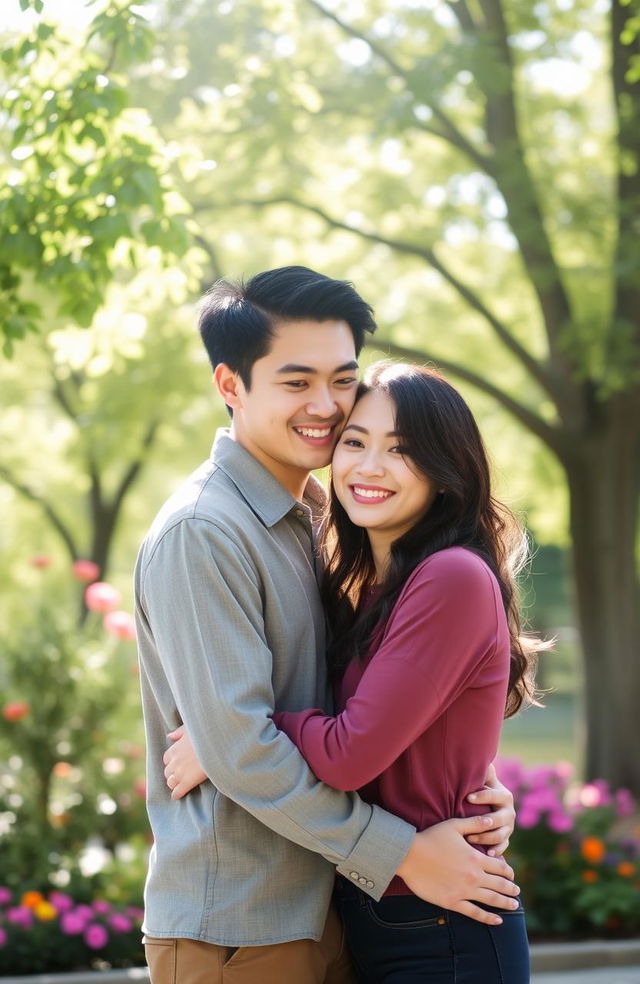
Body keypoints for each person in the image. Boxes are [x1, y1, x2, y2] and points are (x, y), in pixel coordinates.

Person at [136, 266, 520, 984]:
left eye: (342, 379)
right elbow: (244, 751)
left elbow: (367, 712)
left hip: (333, 912)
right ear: (230, 386)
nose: (326, 406)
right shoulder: (203, 532)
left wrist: (475, 783)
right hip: (243, 926)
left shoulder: (322, 523)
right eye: (295, 382)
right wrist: (402, 852)